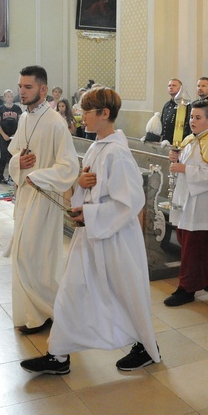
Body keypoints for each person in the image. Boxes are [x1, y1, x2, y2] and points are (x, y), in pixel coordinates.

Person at [20, 87, 161, 375]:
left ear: (104, 113)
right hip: (92, 234)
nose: (79, 115)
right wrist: (81, 186)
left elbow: (132, 201)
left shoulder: (117, 153)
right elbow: (94, 189)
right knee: (71, 292)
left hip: (115, 238)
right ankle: (58, 355)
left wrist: (92, 213)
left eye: (86, 111)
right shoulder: (98, 146)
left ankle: (147, 347)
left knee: (125, 293)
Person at [8, 65, 80, 334]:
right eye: (20, 86)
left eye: (28, 87)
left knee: (33, 256)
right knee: (24, 256)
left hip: (43, 197)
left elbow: (69, 166)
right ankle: (34, 314)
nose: (22, 92)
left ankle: (47, 311)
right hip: (25, 196)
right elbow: (16, 153)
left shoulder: (55, 122)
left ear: (43, 89)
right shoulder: (23, 118)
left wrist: (38, 176)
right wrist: (19, 162)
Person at [164, 101, 208, 307]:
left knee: (194, 247)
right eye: (192, 117)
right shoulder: (189, 139)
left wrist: (183, 169)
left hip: (202, 204)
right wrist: (175, 158)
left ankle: (187, 288)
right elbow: (180, 165)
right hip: (187, 199)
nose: (192, 121)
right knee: (201, 243)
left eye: (198, 117)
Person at [0, 89, 22, 185]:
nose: (10, 98)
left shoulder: (17, 108)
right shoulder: (0, 109)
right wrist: (3, 134)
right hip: (3, 135)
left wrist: (16, 134)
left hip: (14, 136)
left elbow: (21, 122)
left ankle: (12, 176)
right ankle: (0, 176)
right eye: (8, 96)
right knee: (3, 155)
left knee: (13, 156)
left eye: (11, 96)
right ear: (4, 98)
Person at [160, 78, 191, 144]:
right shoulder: (167, 105)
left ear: (180, 88)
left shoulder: (185, 105)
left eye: (174, 85)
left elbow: (187, 125)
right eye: (169, 85)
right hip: (165, 142)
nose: (171, 87)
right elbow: (162, 123)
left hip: (179, 142)